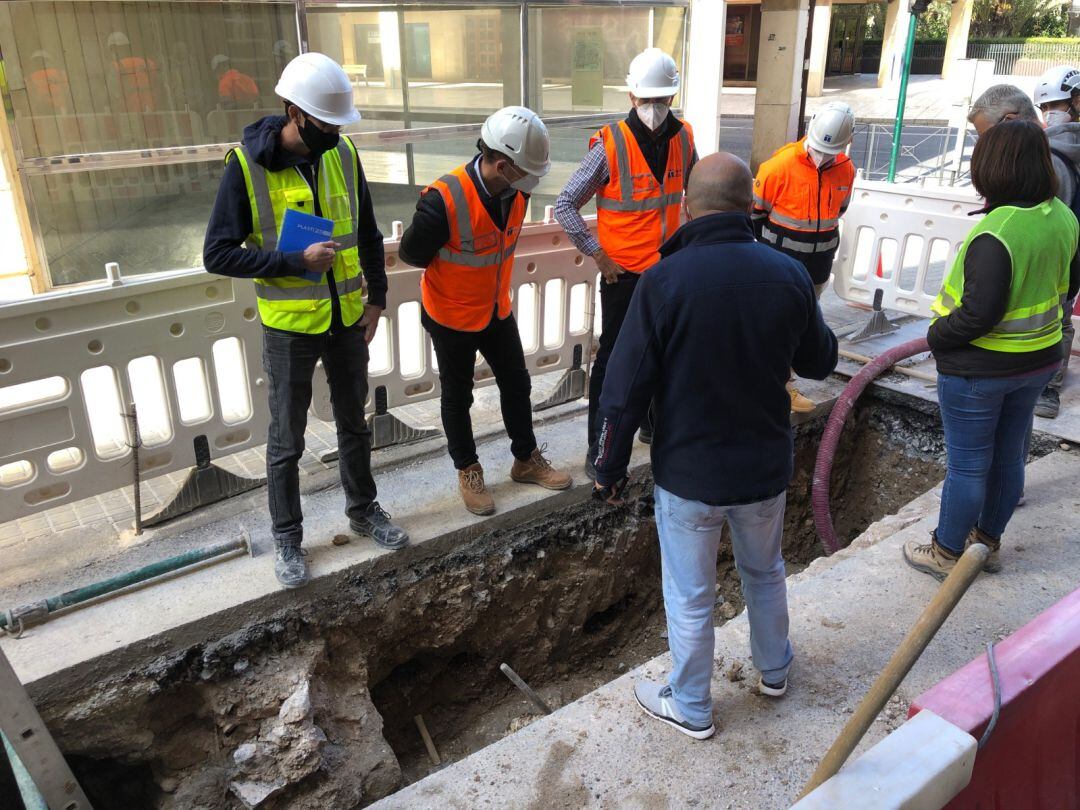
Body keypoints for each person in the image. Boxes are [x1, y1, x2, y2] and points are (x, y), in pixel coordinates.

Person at [591, 152, 839, 739]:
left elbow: (623, 391)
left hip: (691, 475)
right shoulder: (787, 274)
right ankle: (775, 670)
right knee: (765, 571)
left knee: (691, 594)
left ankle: (693, 706)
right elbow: (820, 361)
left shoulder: (662, 281)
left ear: (686, 207)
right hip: (763, 467)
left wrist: (608, 467)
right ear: (751, 205)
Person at [203, 52, 408, 589]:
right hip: (290, 327)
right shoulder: (244, 167)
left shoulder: (342, 153)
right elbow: (218, 254)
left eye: (338, 125)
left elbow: (365, 231)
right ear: (292, 111)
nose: (333, 134)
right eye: (323, 123)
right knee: (286, 441)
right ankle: (288, 539)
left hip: (345, 318)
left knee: (354, 424)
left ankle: (364, 512)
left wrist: (377, 299)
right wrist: (292, 262)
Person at [903, 121, 1079, 581]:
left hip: (979, 371)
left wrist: (936, 336)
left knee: (967, 466)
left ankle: (945, 553)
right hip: (1040, 360)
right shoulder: (1062, 215)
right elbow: (1070, 286)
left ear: (991, 167)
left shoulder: (996, 231)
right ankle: (986, 544)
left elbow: (978, 313)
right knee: (1006, 458)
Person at [398, 106, 572, 515]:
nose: (527, 185)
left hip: (495, 309)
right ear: (500, 162)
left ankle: (525, 458)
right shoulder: (445, 200)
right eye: (522, 173)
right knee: (458, 398)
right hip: (452, 315)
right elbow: (411, 253)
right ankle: (468, 469)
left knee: (517, 382)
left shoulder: (516, 190)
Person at [554, 48, 697, 478]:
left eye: (661, 100)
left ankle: (653, 427)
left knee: (669, 355)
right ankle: (599, 443)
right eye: (645, 100)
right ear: (631, 96)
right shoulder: (609, 144)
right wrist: (597, 253)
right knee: (615, 362)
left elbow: (696, 194)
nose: (653, 109)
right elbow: (565, 204)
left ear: (672, 97)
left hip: (669, 270)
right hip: (624, 277)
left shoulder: (685, 137)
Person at [752, 101, 855, 413]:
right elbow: (756, 216)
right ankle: (774, 386)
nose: (823, 155)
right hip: (780, 265)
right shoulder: (778, 167)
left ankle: (785, 382)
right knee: (774, 327)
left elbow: (840, 210)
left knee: (800, 328)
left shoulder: (846, 170)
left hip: (818, 267)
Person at [1033, 66, 1080, 418]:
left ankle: (1045, 390)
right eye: (1045, 107)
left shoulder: (1046, 154)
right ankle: (1049, 385)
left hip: (1053, 253)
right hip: (1075, 254)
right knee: (1062, 315)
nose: (1050, 113)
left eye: (1057, 105)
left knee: (1050, 316)